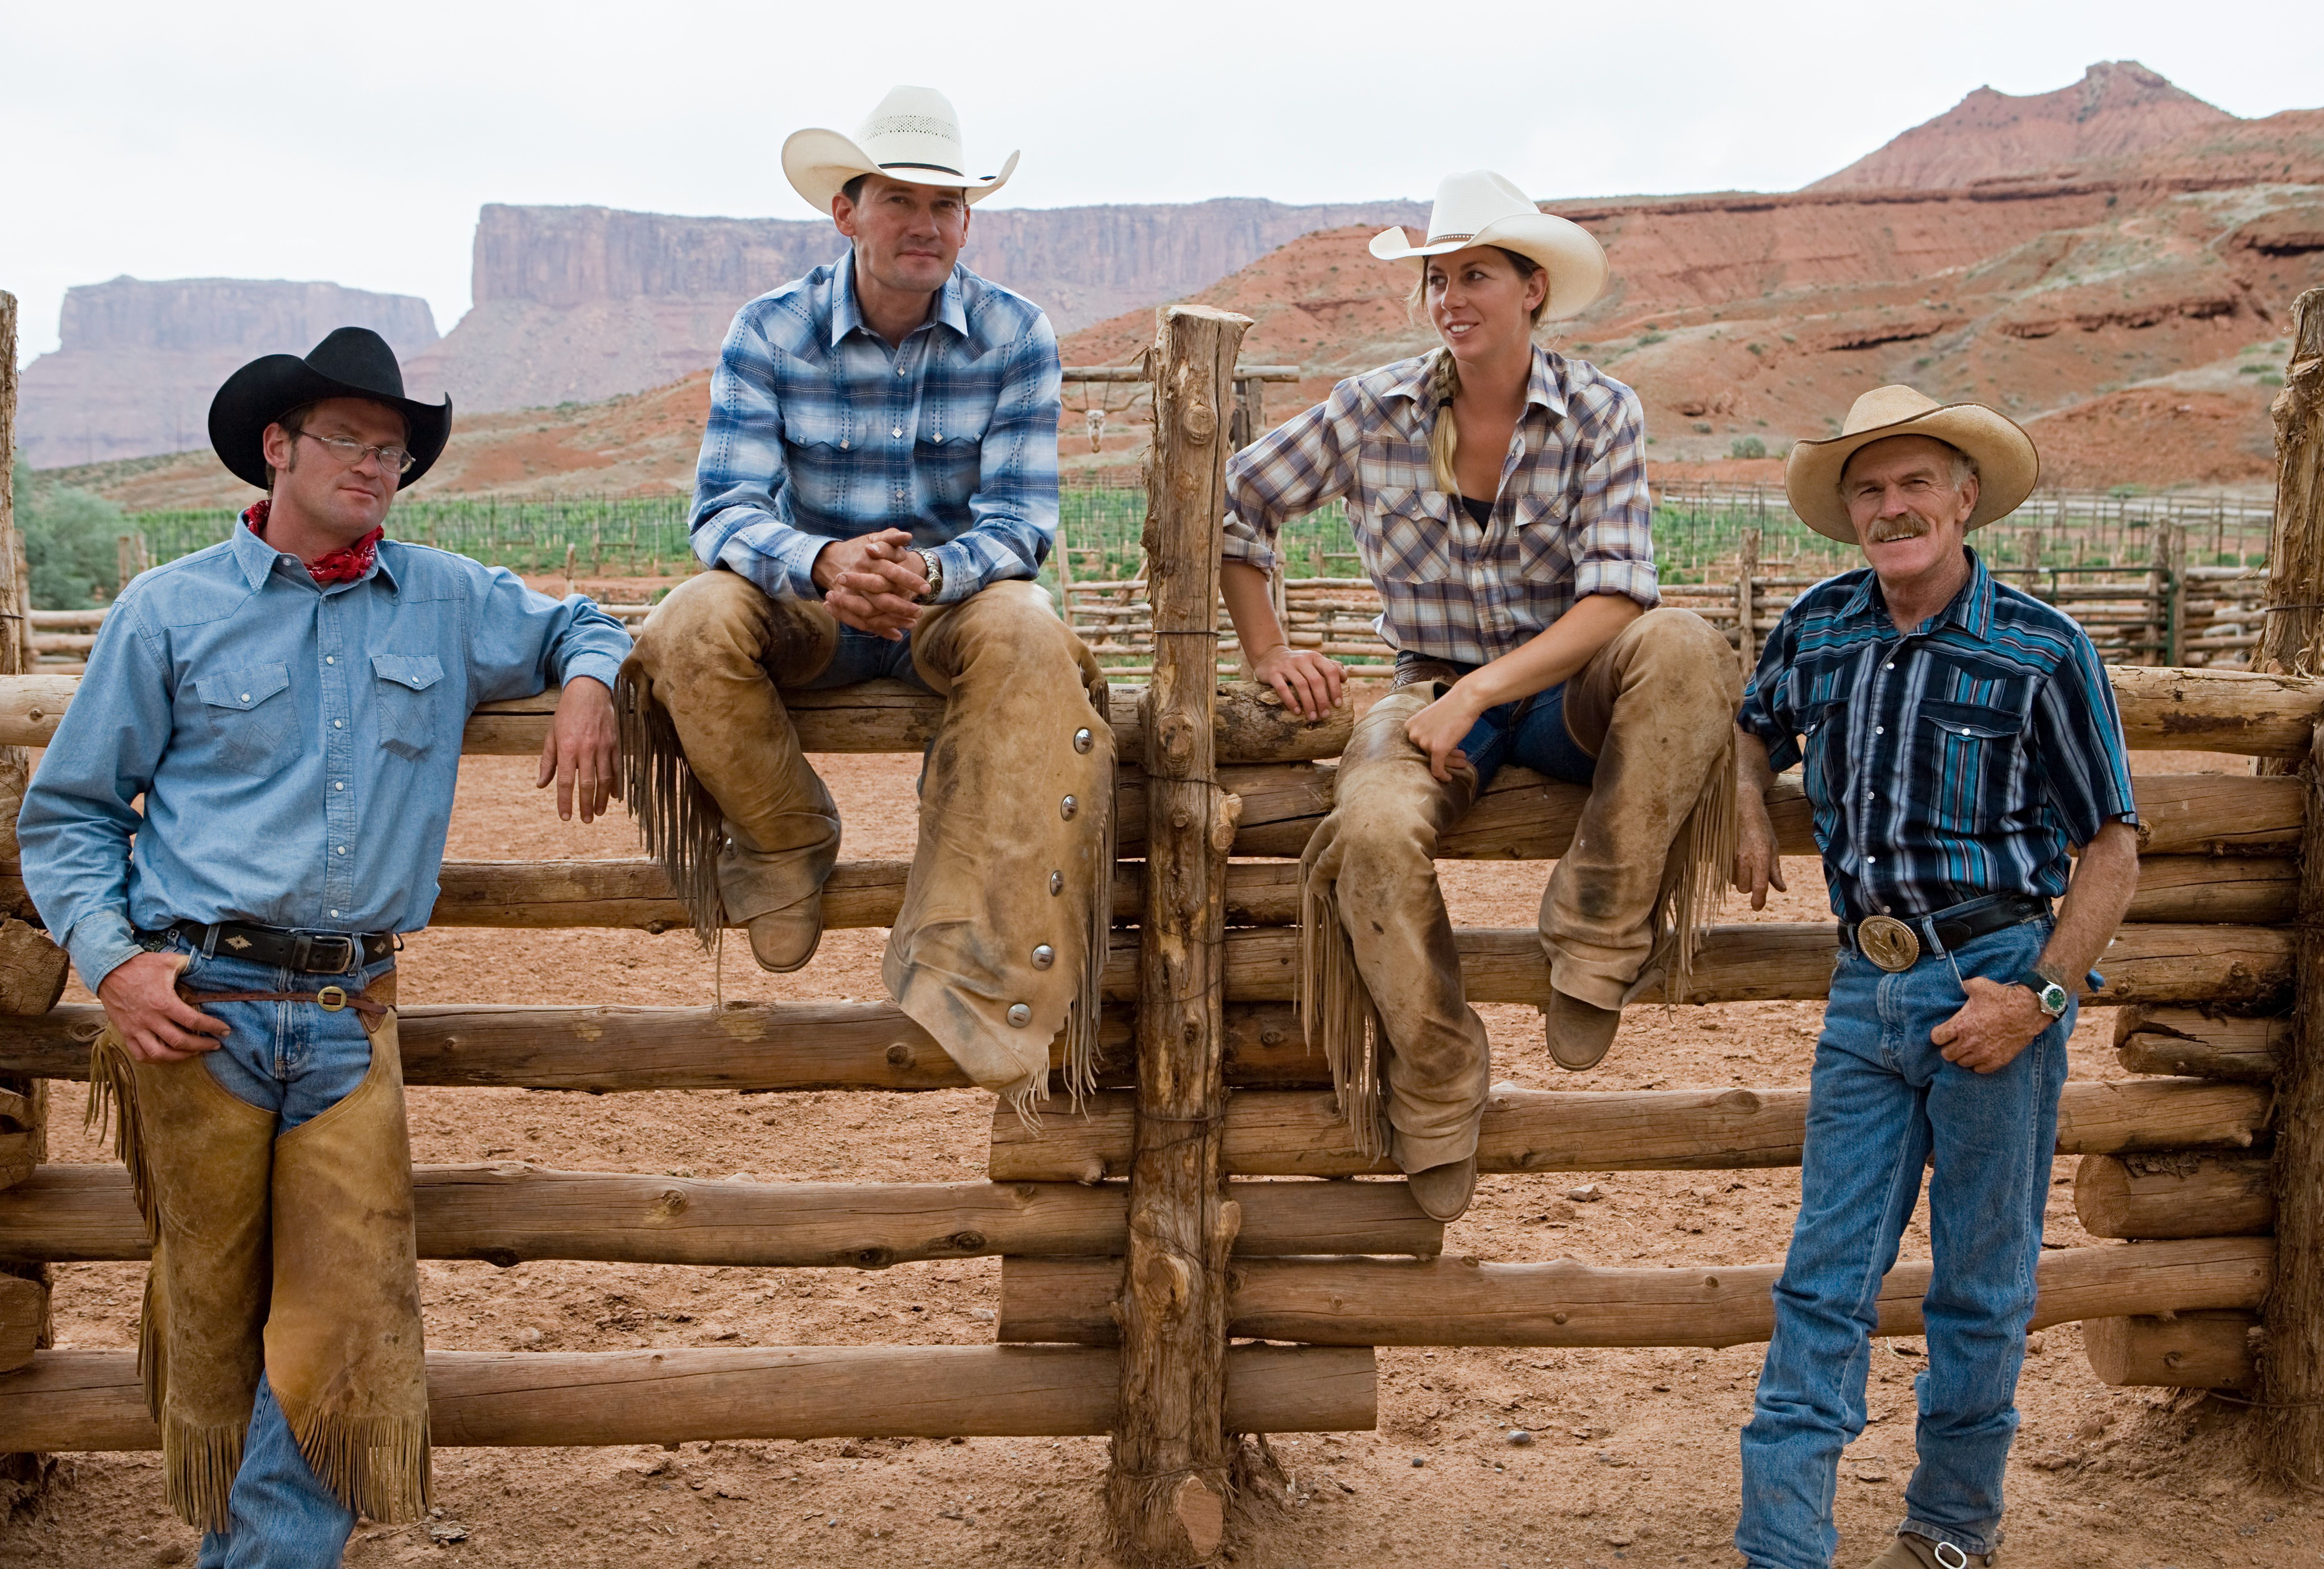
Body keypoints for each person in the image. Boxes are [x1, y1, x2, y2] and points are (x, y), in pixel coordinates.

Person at [16, 327, 630, 1569]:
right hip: (198, 1003)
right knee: (211, 1302)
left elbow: (586, 621)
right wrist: (114, 962)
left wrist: (589, 681)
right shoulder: (168, 609)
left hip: (351, 1010)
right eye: (347, 439)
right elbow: (72, 812)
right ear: (277, 447)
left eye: (393, 450)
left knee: (343, 1320)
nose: (373, 466)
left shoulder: (447, 598)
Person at [1220, 170, 1744, 1222]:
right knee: (1370, 831)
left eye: (1476, 276)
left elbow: (1617, 598)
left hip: (1570, 691)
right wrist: (1268, 647)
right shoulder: (1371, 409)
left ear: (1532, 287)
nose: (1451, 299)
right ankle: (1437, 1071)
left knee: (1686, 643)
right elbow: (1233, 503)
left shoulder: (1600, 410)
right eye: (1438, 279)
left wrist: (1486, 694)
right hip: (1427, 681)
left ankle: (1597, 935)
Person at [620, 85, 1111, 1112]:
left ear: (967, 223)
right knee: (686, 623)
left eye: (946, 205)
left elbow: (1020, 524)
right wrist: (824, 564)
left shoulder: (1017, 333)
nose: (925, 224)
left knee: (1029, 625)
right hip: (813, 601)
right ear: (846, 213)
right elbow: (724, 511)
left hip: (952, 604)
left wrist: (928, 574)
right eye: (899, 200)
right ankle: (785, 834)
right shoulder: (770, 328)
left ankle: (959, 933)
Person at [1730, 386, 2142, 1569]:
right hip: (1865, 983)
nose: (1892, 506)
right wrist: (1747, 794)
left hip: (1996, 979)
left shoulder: (2041, 646)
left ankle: (1953, 1528)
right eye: (1869, 488)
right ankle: (1782, 1547)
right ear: (1849, 513)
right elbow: (1751, 724)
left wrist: (2039, 1001)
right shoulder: (1819, 626)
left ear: (1965, 501)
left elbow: (2112, 844)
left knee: (1980, 1278)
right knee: (1825, 1271)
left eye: (1916, 483)